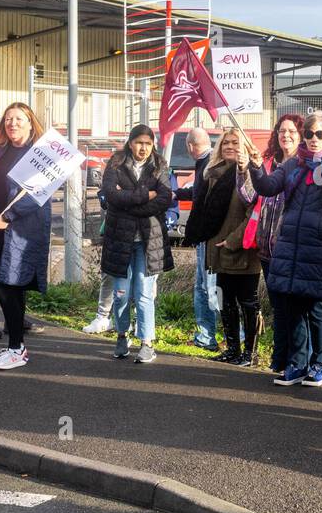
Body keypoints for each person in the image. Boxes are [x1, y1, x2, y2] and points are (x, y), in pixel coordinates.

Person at [250, 111, 322, 388]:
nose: (314, 139)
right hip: (290, 244)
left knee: (318, 309)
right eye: (309, 134)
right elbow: (266, 187)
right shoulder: (292, 165)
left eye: (320, 134)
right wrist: (254, 167)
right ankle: (297, 365)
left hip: (320, 246)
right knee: (295, 307)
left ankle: (321, 365)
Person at [0, 103, 51, 370]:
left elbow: (38, 194)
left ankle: (16, 348)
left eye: (19, 119)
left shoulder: (40, 154)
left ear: (31, 123)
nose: (13, 123)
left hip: (20, 229)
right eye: (8, 119)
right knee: (4, 284)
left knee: (9, 286)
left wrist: (8, 217)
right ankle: (16, 346)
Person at [184, 128, 261, 366]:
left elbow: (254, 213)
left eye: (235, 142)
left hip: (243, 249)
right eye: (225, 142)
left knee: (247, 302)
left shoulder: (252, 174)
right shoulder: (212, 173)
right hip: (217, 249)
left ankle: (250, 352)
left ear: (245, 146)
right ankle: (232, 349)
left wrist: (234, 240)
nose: (229, 146)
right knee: (224, 300)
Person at [100, 125, 174, 363]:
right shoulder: (115, 164)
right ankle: (122, 335)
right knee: (121, 294)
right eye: (139, 142)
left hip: (148, 240)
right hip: (119, 240)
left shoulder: (160, 166)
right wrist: (145, 195)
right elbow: (110, 195)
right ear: (130, 143)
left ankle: (147, 342)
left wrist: (128, 201)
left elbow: (164, 199)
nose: (143, 148)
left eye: (148, 143)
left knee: (143, 293)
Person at [255, 114, 304, 375]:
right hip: (266, 248)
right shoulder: (269, 163)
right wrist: (247, 169)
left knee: (292, 307)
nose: (286, 135)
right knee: (278, 308)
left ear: (301, 135)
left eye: (292, 131)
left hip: (289, 247)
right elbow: (250, 195)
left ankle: (295, 359)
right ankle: (280, 357)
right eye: (282, 131)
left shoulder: (304, 165)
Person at [171, 127, 220, 351]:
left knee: (207, 287)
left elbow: (201, 196)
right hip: (209, 236)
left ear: (190, 146)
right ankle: (212, 334)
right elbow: (197, 192)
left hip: (207, 236)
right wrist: (179, 194)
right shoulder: (209, 161)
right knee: (207, 286)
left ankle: (212, 334)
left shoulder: (207, 163)